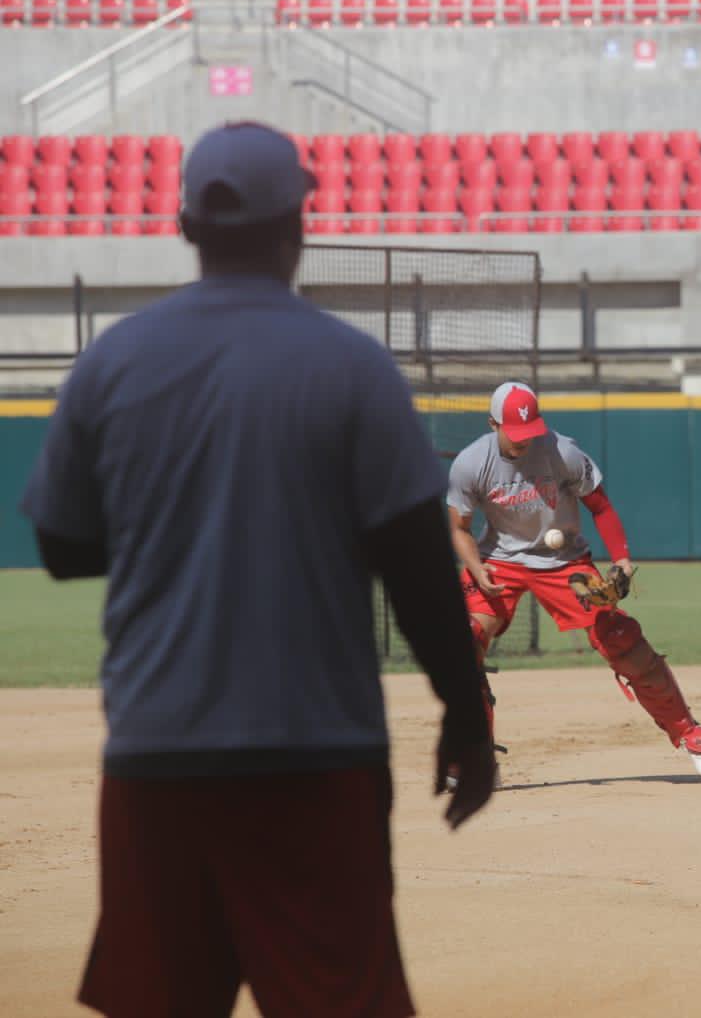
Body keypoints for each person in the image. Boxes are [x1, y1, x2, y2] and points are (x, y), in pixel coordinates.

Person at [19, 121, 495, 1017]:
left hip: (156, 757)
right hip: (315, 760)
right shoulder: (352, 365)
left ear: (187, 228)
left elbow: (61, 545)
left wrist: (178, 515)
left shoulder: (112, 359)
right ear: (298, 224)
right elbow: (419, 568)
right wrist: (467, 720)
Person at [447, 382, 701, 779]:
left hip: (564, 561)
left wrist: (622, 559)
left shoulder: (562, 451)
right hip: (499, 563)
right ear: (493, 423)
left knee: (620, 637)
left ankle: (688, 733)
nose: (525, 442)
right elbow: (459, 528)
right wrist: (476, 568)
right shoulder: (469, 463)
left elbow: (601, 507)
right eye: (515, 433)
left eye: (531, 432)